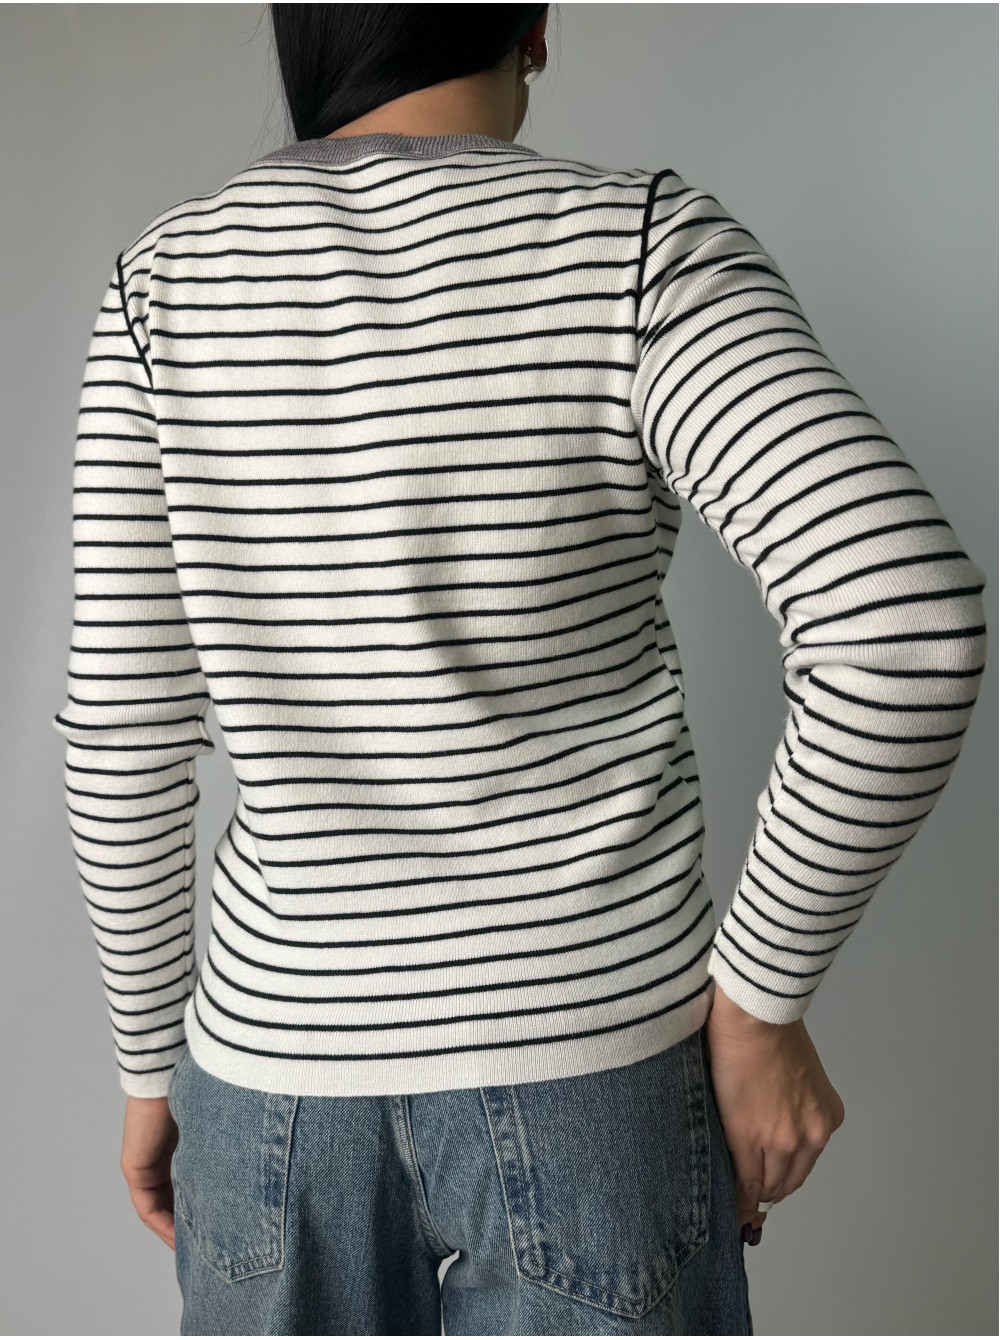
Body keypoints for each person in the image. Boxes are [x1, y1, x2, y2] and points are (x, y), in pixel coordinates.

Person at [50, 4, 988, 1335]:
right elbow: (903, 625)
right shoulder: (636, 248)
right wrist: (760, 1007)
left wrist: (152, 1064)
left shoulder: (166, 280)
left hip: (271, 1090)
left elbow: (123, 737)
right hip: (594, 1070)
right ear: (533, 24)